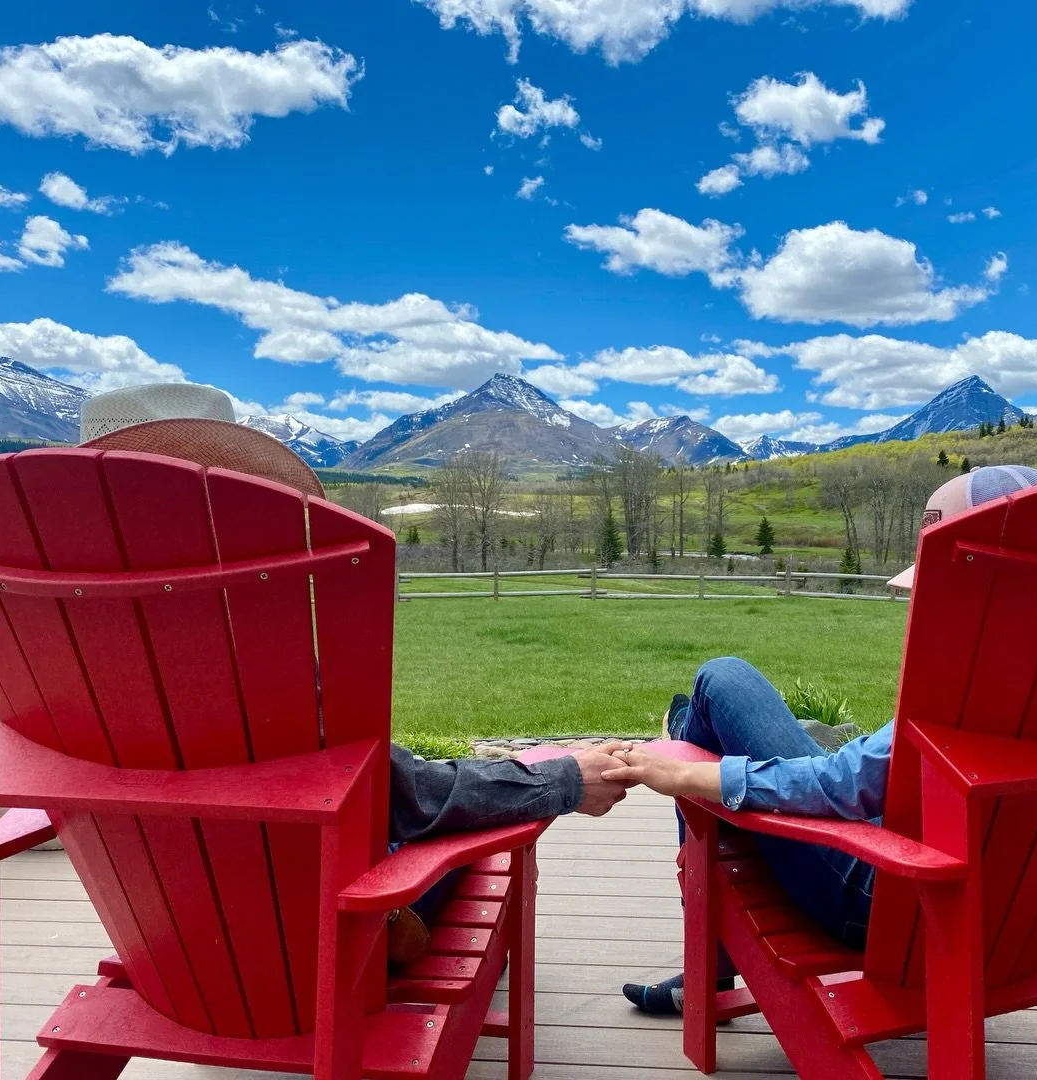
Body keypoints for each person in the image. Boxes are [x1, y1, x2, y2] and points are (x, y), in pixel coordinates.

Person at [78, 384, 632, 962]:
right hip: (318, 947)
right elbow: (406, 800)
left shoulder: (62, 648)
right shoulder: (249, 648)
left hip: (168, 941)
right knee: (471, 840)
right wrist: (559, 780)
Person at [603, 464, 1037, 1014]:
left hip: (888, 893)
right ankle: (689, 735)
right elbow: (876, 776)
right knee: (724, 699)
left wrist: (685, 773)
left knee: (720, 682)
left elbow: (845, 785)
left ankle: (710, 956)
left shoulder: (979, 679)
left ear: (986, 577)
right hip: (1019, 906)